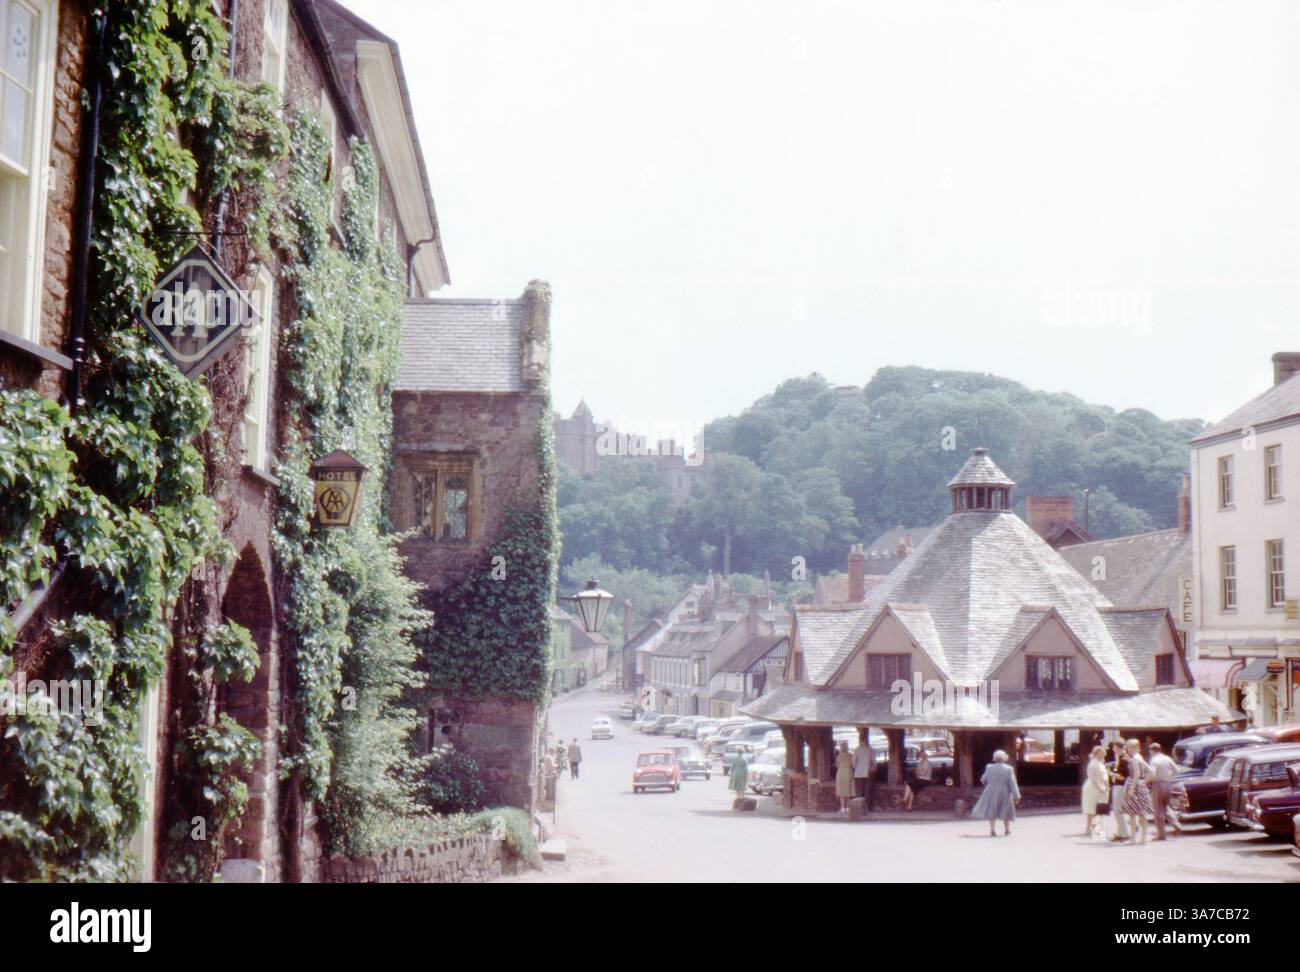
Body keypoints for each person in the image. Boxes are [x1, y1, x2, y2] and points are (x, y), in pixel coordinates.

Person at [971, 750, 1021, 836]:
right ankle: (1007, 830)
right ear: (1004, 758)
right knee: (1006, 810)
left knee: (992, 810)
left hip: (991, 791)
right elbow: (1012, 783)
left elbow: (983, 779)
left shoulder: (989, 767)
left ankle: (992, 830)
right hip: (1004, 791)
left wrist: (989, 785)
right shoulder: (1009, 769)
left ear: (995, 758)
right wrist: (1016, 797)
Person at [1119, 738, 1153, 844]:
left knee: (1132, 814)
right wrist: (1144, 782)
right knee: (1141, 814)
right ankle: (1143, 838)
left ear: (1135, 747)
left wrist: (1131, 789)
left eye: (1130, 747)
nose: (1128, 749)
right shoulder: (1140, 758)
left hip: (1133, 786)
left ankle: (1133, 839)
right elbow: (1151, 772)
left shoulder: (1134, 759)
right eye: (1128, 747)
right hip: (1140, 786)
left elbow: (1136, 774)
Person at [1147, 742, 1178, 840]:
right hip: (1168, 783)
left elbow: (1153, 773)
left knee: (1158, 809)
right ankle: (1176, 823)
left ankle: (1161, 834)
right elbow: (1176, 770)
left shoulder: (1154, 760)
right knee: (1166, 806)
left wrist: (1146, 781)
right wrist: (1168, 776)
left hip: (1158, 784)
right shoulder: (1167, 758)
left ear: (1152, 750)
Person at [1082, 745, 1110, 837]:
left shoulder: (1100, 762)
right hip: (1093, 787)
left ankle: (1097, 827)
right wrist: (1101, 787)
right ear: (1096, 753)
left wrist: (1106, 786)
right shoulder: (1093, 763)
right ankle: (1088, 828)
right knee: (1092, 807)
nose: (1103, 754)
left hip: (1100, 786)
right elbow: (1093, 777)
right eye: (1101, 752)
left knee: (1099, 808)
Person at [1108, 740, 1130, 842]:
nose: (1113, 749)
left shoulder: (1124, 760)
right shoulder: (1120, 758)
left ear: (1118, 747)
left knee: (1117, 811)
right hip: (1117, 786)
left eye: (1114, 747)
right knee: (1117, 811)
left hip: (1120, 787)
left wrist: (1111, 774)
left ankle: (1125, 833)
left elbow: (1122, 777)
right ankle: (1120, 832)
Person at [852, 733, 876, 810]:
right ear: (866, 740)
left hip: (858, 773)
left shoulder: (856, 750)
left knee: (859, 791)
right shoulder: (870, 750)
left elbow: (853, 762)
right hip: (868, 772)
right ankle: (867, 808)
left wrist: (857, 768)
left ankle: (859, 808)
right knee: (868, 791)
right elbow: (874, 761)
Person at [834, 740, 854, 813]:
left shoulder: (838, 756)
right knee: (848, 791)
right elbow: (853, 765)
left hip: (841, 772)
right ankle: (848, 808)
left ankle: (842, 808)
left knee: (841, 791)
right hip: (848, 772)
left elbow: (837, 765)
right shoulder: (850, 755)